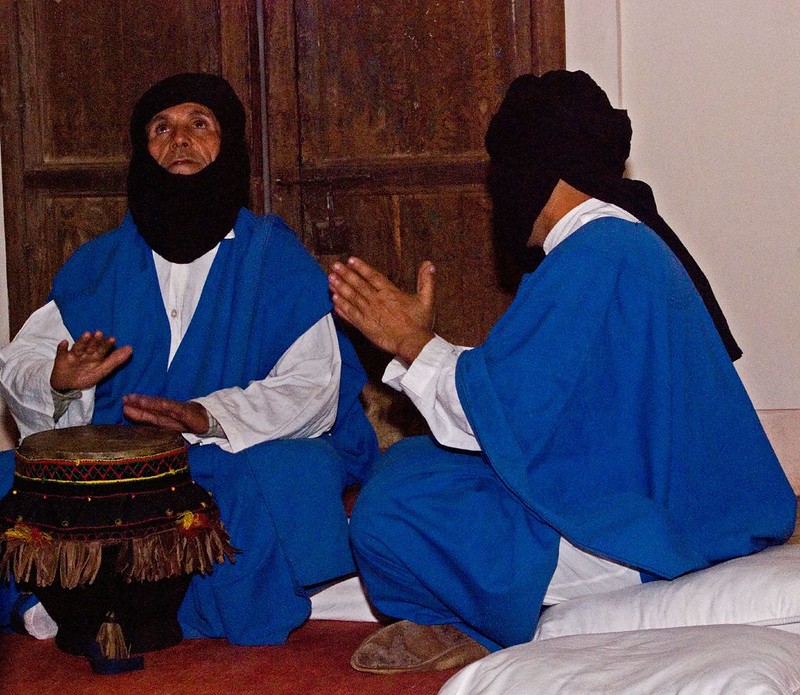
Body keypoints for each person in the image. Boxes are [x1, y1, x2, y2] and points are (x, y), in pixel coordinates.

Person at [327, 69, 797, 673]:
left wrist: (411, 342)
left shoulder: (597, 254)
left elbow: (498, 416)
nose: (498, 193)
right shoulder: (616, 244)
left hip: (652, 529)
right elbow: (520, 400)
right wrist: (419, 347)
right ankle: (480, 615)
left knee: (393, 504)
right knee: (416, 466)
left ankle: (482, 623)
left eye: (503, 169)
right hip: (646, 497)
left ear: (538, 165)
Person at [0, 72, 378, 646]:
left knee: (272, 477)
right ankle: (63, 598)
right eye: (162, 128)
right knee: (11, 477)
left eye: (199, 124)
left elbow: (314, 387)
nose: (180, 140)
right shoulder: (99, 262)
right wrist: (59, 381)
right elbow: (23, 358)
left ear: (228, 146)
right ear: (142, 151)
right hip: (125, 455)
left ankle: (145, 603)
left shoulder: (273, 257)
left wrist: (208, 416)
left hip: (238, 445)